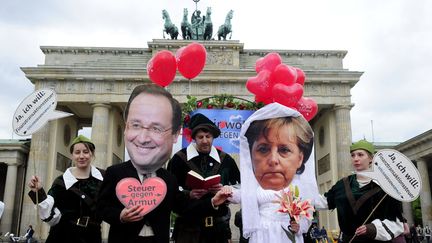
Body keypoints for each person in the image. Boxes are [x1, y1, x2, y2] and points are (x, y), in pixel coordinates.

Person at [96, 84, 232, 243]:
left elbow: (185, 207)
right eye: (136, 125)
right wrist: (120, 215)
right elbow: (101, 208)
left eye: (157, 129)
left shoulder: (168, 178)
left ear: (174, 136)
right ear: (126, 128)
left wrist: (213, 202)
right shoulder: (115, 173)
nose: (143, 138)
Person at [227, 103, 318, 243]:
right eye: (263, 149)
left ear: (300, 158)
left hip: (287, 234)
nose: (273, 160)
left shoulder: (300, 186)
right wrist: (226, 191)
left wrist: (298, 227)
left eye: (284, 150)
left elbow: (307, 216)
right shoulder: (256, 184)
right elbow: (242, 195)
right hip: (261, 234)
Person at [167, 113, 240, 243]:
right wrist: (188, 194)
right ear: (194, 138)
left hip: (219, 230)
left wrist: (224, 191)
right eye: (200, 137)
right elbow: (169, 192)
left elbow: (240, 187)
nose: (205, 140)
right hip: (188, 231)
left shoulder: (226, 160)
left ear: (213, 137)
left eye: (208, 136)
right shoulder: (178, 160)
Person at [316, 139, 404, 242]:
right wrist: (298, 200)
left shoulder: (385, 187)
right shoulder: (343, 184)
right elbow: (323, 201)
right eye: (353, 155)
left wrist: (372, 229)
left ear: (371, 158)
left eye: (360, 155)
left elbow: (397, 223)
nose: (355, 159)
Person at [27, 135, 104, 243]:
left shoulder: (103, 178)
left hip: (92, 236)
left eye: (85, 152)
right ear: (72, 155)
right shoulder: (61, 181)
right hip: (63, 235)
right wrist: (39, 192)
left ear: (92, 153)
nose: (81, 156)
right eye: (77, 152)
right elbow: (50, 216)